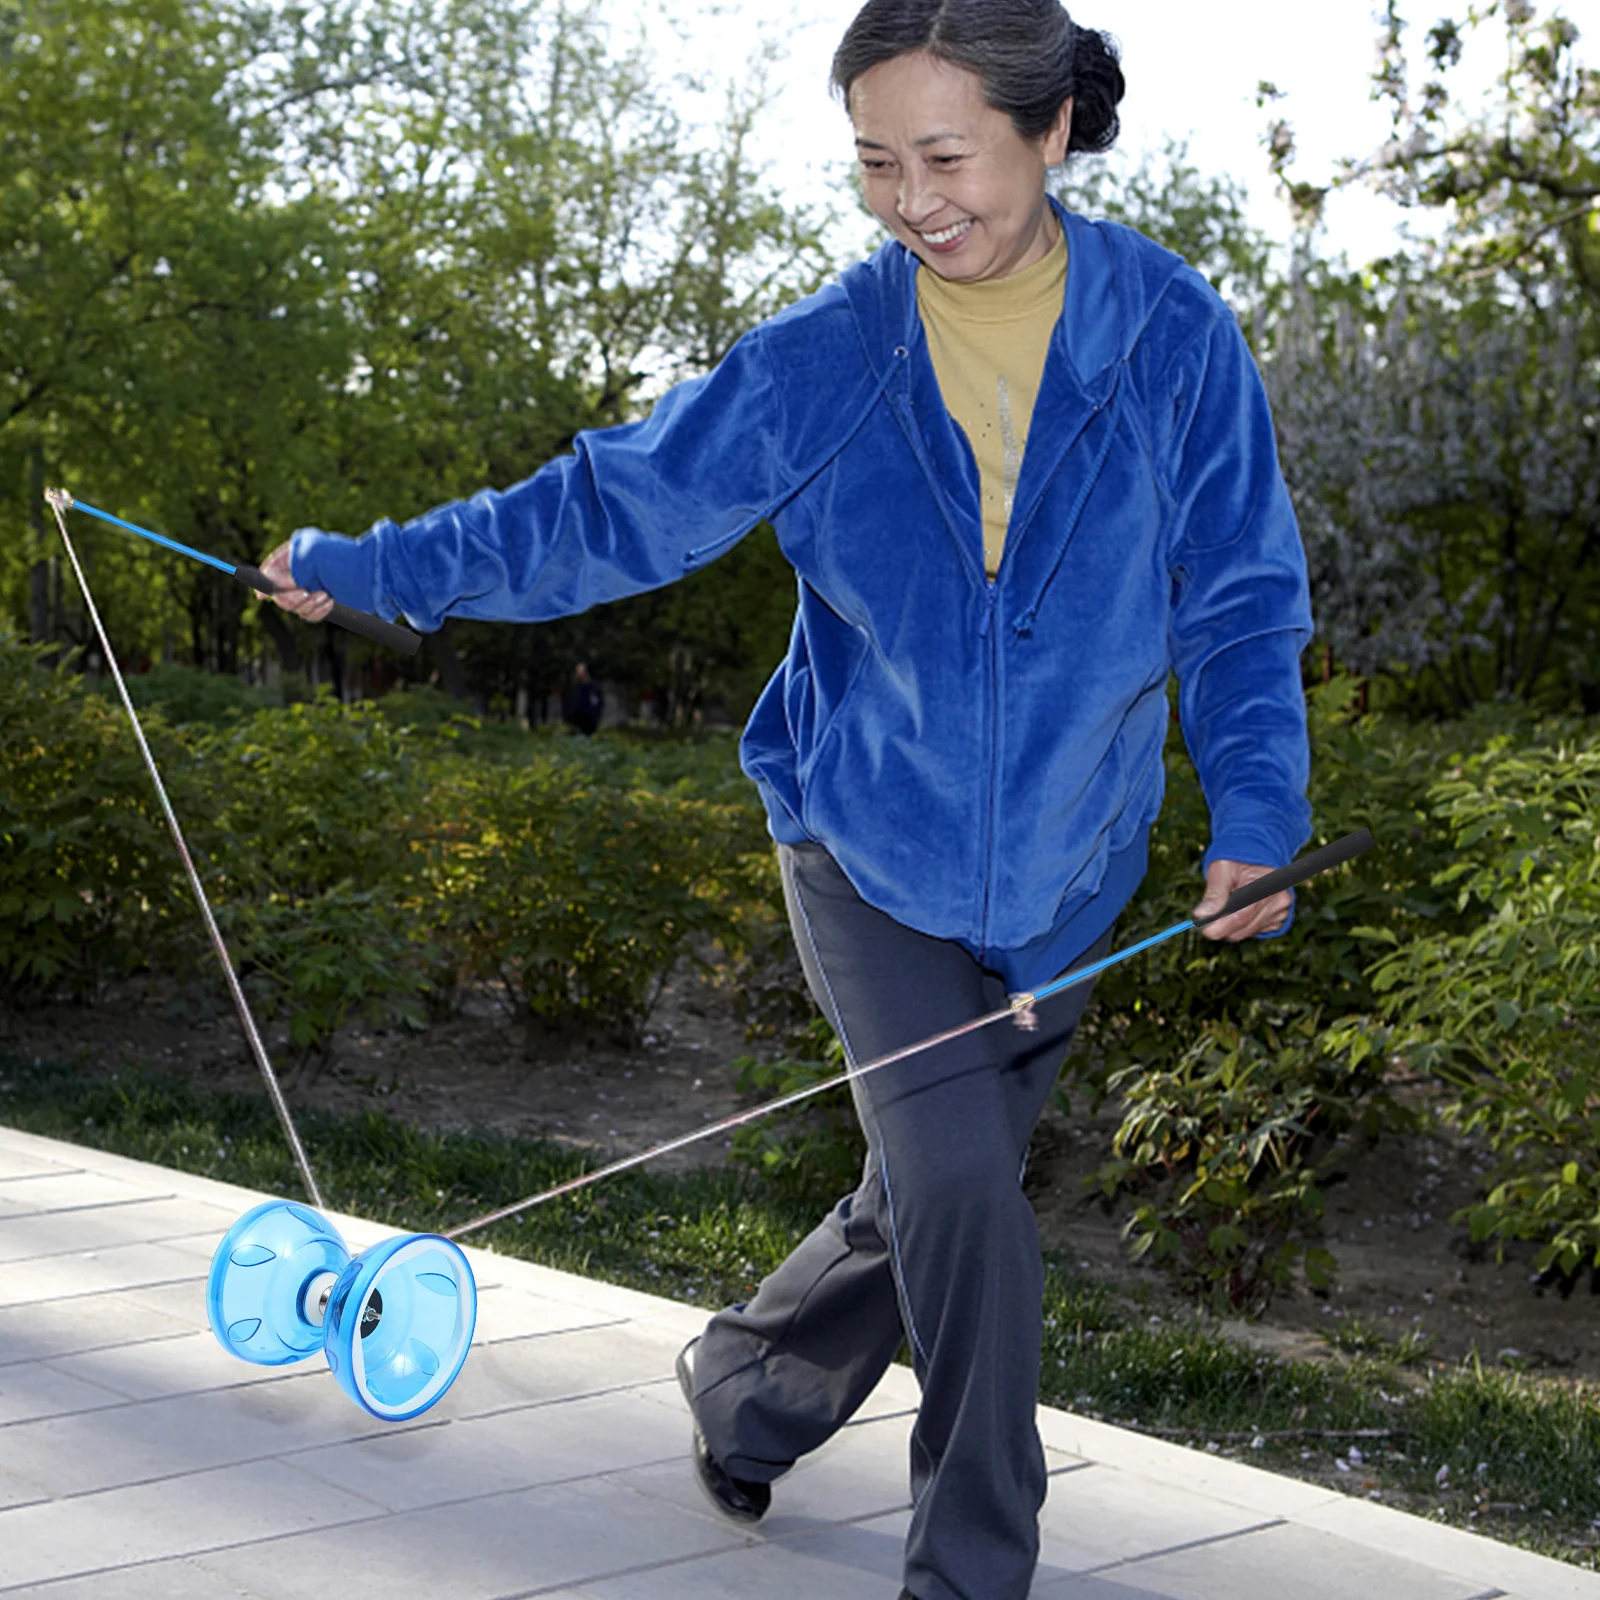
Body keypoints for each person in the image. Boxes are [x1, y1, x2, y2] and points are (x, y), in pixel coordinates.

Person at [259, 2, 1313, 1593]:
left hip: (1070, 874)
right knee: (963, 1194)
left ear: (1053, 131)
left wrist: (1256, 811)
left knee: (921, 1208)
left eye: (945, 154)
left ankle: (744, 1394)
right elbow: (612, 507)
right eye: (876, 163)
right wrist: (374, 570)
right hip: (861, 842)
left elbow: (1240, 602)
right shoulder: (832, 353)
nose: (911, 199)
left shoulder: (1175, 341)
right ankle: (969, 1571)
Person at [561, 661, 604, 735]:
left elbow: (598, 703)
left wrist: (595, 716)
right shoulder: (574, 687)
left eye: (580, 671)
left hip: (590, 720)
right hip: (576, 720)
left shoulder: (594, 687)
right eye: (578, 671)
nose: (578, 673)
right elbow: (568, 702)